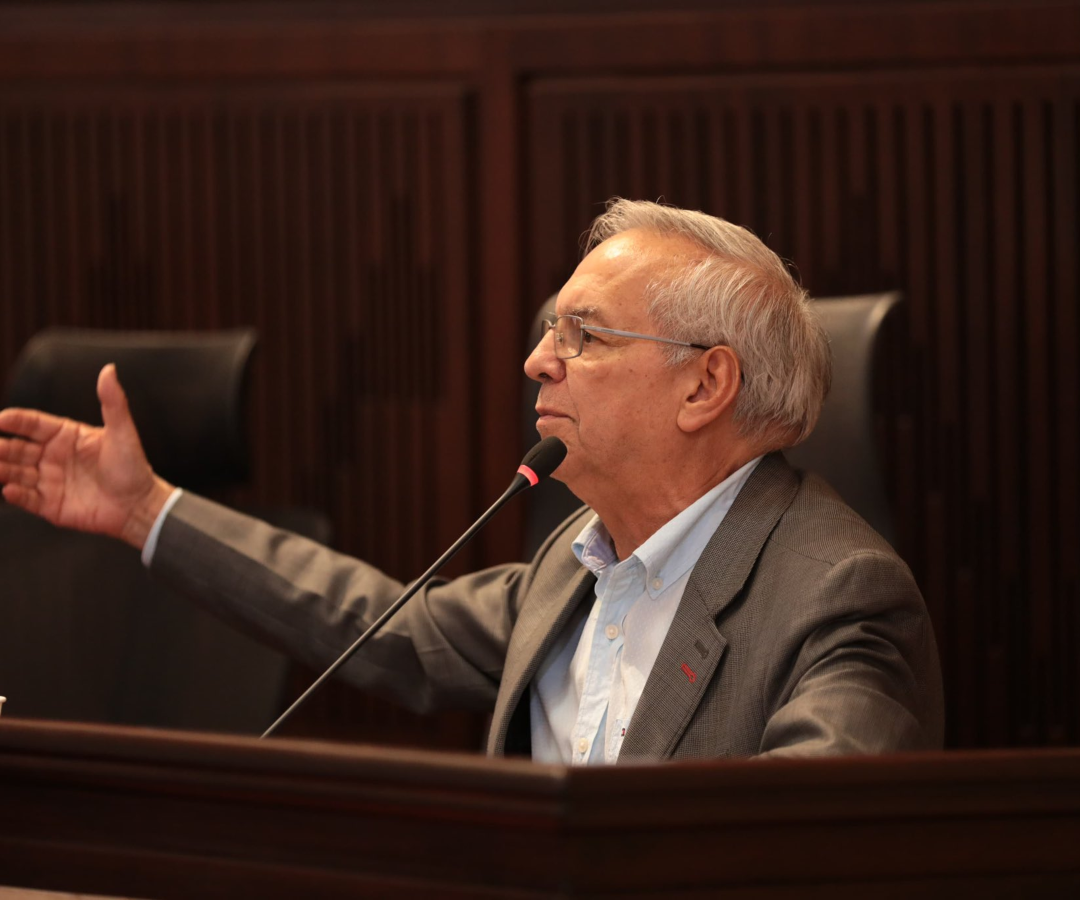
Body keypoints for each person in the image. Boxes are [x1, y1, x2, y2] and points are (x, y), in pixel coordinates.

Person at [0, 199, 943, 763]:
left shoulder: (837, 597)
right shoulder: (574, 569)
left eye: (583, 334)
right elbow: (374, 625)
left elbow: (811, 849)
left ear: (705, 384)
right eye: (550, 329)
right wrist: (144, 510)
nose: (537, 361)